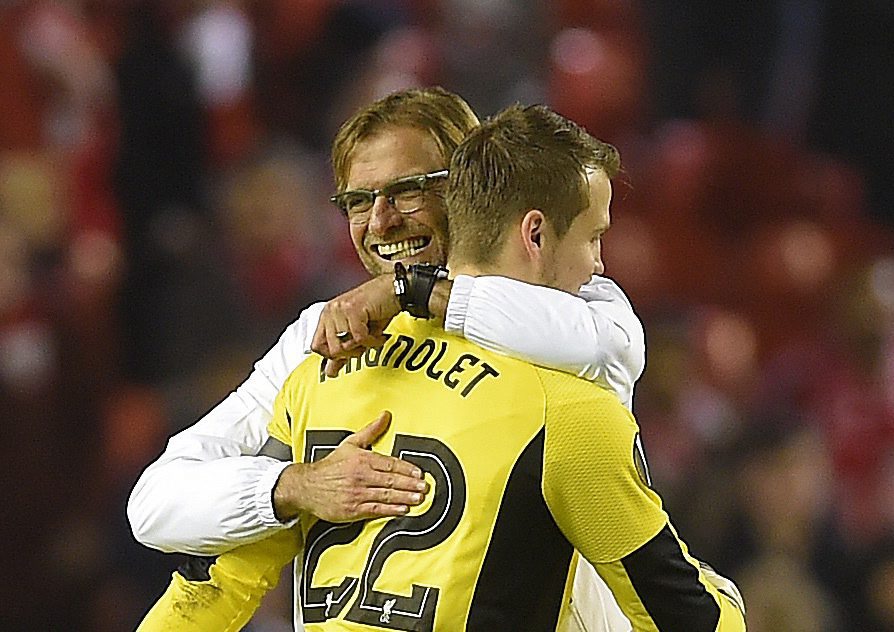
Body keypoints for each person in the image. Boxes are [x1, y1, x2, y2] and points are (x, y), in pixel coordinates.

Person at [136, 103, 745, 630]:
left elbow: (213, 585)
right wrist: (292, 487)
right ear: (531, 224)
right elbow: (689, 617)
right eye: (357, 200)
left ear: (465, 188)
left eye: (406, 191)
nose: (380, 221)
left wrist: (409, 292)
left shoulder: (324, 374)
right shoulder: (569, 405)